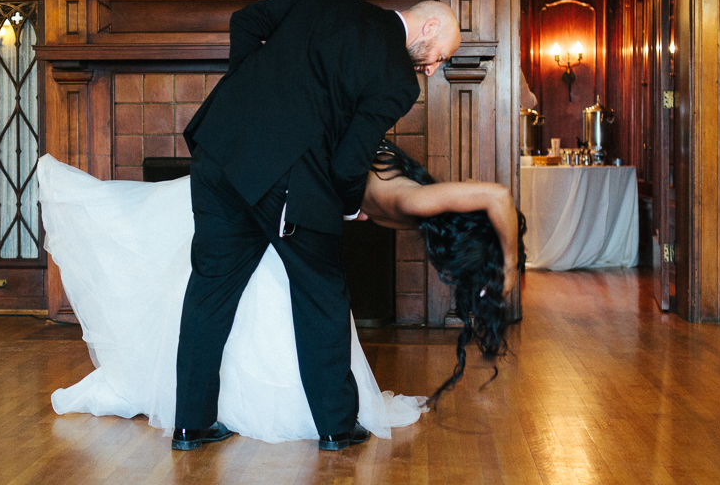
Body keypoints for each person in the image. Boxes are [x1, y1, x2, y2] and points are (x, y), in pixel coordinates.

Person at [39, 141, 525, 447]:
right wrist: (510, 268)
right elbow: (499, 196)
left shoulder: (411, 198)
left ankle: (212, 412)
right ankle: (306, 415)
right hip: (284, 213)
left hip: (281, 206)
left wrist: (346, 210)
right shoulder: (416, 199)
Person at [175, 0, 461, 451]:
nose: (432, 68)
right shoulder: (398, 80)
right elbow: (349, 162)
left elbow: (245, 20)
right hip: (288, 179)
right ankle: (336, 426)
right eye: (439, 56)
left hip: (218, 150)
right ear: (429, 25)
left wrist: (247, 90)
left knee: (209, 288)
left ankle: (191, 425)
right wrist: (350, 206)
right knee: (322, 294)